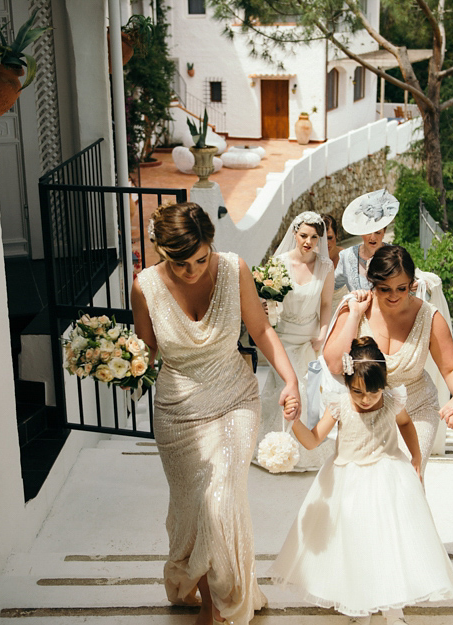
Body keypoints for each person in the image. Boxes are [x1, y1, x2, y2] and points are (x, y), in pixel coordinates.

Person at [131, 202, 302, 625]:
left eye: (200, 259)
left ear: (212, 244)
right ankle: (204, 586)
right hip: (177, 410)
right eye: (180, 263)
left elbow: (261, 329)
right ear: (161, 252)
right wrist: (117, 362)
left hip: (233, 398)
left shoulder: (233, 269)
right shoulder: (145, 286)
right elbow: (146, 350)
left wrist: (291, 380)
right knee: (194, 508)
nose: (192, 270)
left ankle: (216, 606)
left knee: (220, 498)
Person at [270, 337, 453, 624]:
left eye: (373, 391)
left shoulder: (393, 401)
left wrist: (417, 457)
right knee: (353, 542)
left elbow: (407, 424)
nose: (366, 398)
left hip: (388, 477)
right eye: (357, 391)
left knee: (390, 541)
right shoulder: (338, 405)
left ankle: (392, 606)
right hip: (348, 481)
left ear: (383, 384)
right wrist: (295, 421)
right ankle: (357, 601)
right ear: (347, 383)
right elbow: (312, 441)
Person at [324, 245, 453, 473]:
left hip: (416, 408)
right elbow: (334, 364)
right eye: (384, 289)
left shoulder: (429, 317)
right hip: (366, 410)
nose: (394, 296)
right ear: (372, 282)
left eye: (402, 288)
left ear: (412, 283)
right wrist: (354, 315)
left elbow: (452, 368)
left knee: (407, 478)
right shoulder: (356, 307)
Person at [255, 211, 335, 472]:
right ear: (294, 234)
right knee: (290, 392)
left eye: (314, 237)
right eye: (303, 235)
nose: (308, 241)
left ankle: (299, 450)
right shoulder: (278, 263)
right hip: (282, 340)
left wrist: (323, 333)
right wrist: (265, 307)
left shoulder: (325, 267)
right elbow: (265, 298)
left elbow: (325, 304)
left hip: (309, 341)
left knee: (308, 395)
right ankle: (276, 448)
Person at [334, 189, 398, 292]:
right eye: (368, 232)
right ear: (361, 233)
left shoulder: (397, 255)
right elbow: (332, 286)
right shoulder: (346, 256)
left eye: (377, 232)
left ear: (384, 231)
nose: (373, 237)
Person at [322, 212, 348, 312]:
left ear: (336, 235)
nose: (326, 243)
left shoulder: (346, 256)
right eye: (322, 238)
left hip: (344, 309)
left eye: (329, 237)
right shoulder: (312, 259)